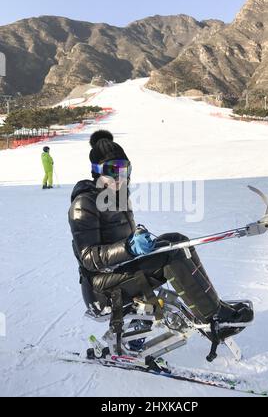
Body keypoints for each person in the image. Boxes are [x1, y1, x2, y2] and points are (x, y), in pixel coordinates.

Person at [68, 130, 251, 344]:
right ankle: (215, 321)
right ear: (97, 171)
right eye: (113, 170)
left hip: (122, 268)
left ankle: (212, 307)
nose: (120, 176)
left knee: (177, 240)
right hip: (101, 288)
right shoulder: (84, 204)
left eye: (125, 169)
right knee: (170, 256)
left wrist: (137, 239)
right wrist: (129, 247)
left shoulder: (118, 195)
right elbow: (88, 257)